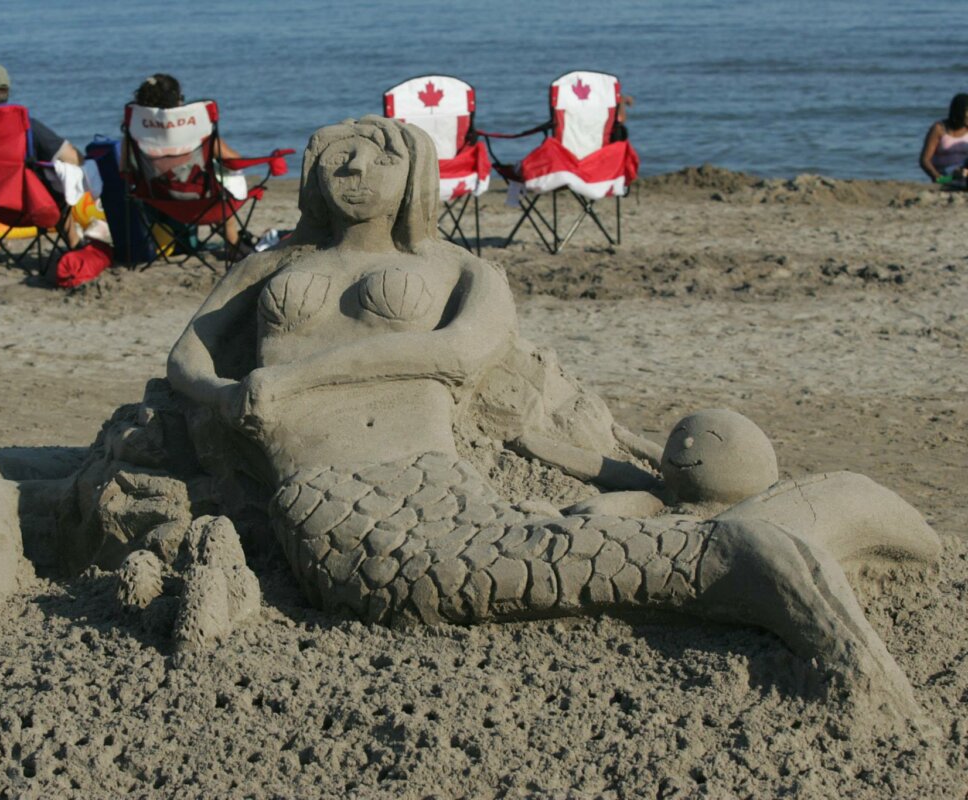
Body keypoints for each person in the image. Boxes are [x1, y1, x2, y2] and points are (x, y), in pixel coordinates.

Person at [166, 116, 929, 715]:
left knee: (456, 569)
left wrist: (294, 378)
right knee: (395, 578)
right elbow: (185, 359)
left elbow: (462, 356)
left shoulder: (460, 267)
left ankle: (740, 560)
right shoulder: (269, 265)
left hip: (423, 468)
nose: (355, 169)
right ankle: (740, 541)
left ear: (417, 177)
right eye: (339, 154)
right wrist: (224, 395)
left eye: (380, 155)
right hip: (320, 489)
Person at [126, 72, 252, 260]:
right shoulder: (195, 127)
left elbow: (125, 169)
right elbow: (234, 161)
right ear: (177, 100)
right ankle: (233, 244)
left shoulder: (135, 129)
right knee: (226, 178)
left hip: (157, 200)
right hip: (202, 200)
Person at [0, 62, 82, 247]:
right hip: (27, 206)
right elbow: (72, 158)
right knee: (57, 182)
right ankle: (74, 246)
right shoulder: (23, 125)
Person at [919, 93, 968, 182]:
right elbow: (925, 160)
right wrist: (937, 177)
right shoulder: (939, 129)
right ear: (959, 111)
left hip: (964, 173)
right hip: (945, 175)